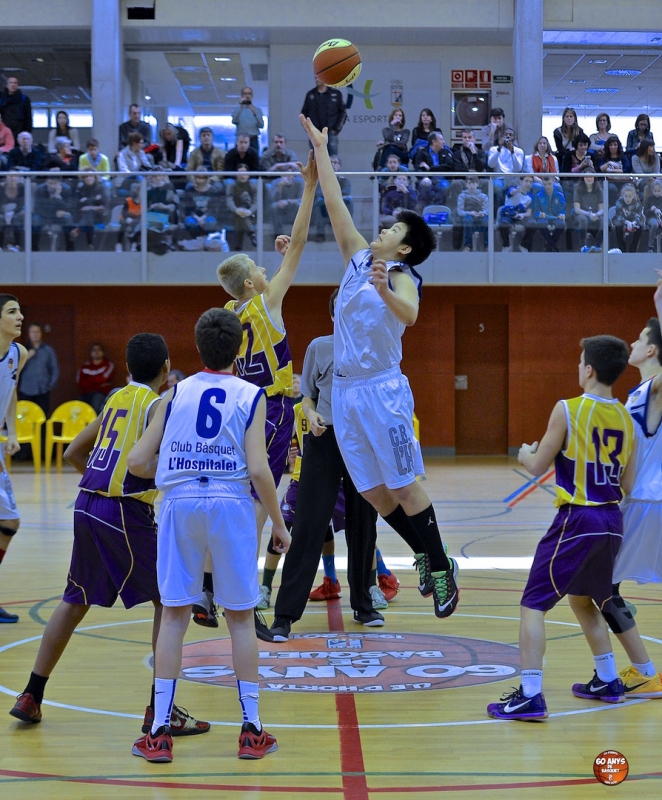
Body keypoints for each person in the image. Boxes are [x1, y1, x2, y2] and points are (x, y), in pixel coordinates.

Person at [9, 333, 210, 738]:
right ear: (167, 368)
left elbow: (72, 453)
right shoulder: (158, 406)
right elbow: (155, 465)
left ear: (128, 367)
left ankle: (31, 694)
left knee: (74, 601)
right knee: (171, 601)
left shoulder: (117, 397)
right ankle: (161, 710)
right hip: (124, 511)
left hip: (86, 505)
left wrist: (102, 480)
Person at [300, 113, 459, 620]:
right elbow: (335, 204)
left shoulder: (402, 275)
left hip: (382, 390)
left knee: (404, 486)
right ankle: (430, 553)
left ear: (404, 247)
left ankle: (439, 566)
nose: (382, 229)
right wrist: (321, 150)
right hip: (346, 395)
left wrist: (384, 290)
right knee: (372, 492)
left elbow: (409, 314)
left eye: (392, 229)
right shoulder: (355, 260)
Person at [126, 310, 289, 762]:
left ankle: (158, 732)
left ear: (197, 347)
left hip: (179, 502)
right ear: (239, 349)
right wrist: (278, 524)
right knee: (240, 618)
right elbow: (259, 469)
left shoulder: (174, 393)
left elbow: (137, 461)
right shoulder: (251, 394)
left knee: (174, 616)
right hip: (231, 503)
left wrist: (175, 471)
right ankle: (252, 730)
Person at [487, 335, 635, 720]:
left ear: (589, 370)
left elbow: (537, 466)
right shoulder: (626, 418)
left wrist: (526, 454)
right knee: (583, 599)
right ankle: (608, 679)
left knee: (532, 604)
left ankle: (530, 694)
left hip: (579, 518)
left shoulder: (569, 409)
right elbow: (628, 483)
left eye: (580, 361)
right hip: (612, 521)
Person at [217, 152, 317, 641]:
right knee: (260, 510)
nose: (266, 269)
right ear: (251, 283)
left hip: (240, 410)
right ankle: (243, 594)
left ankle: (216, 584)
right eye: (260, 268)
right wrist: (309, 187)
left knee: (244, 503)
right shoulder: (267, 302)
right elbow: (298, 244)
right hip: (273, 411)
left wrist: (269, 264)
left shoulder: (227, 314)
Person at [599, 289, 662, 699]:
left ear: (652, 349)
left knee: (601, 588)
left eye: (640, 339)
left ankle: (645, 673)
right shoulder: (638, 393)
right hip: (638, 500)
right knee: (603, 588)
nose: (633, 344)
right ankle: (637, 671)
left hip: (647, 503)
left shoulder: (655, 389)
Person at [0, 294, 27, 623]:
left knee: (8, 524)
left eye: (19, 311)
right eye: (11, 311)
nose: (19, 316)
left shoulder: (18, 353)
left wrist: (12, 433)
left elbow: (10, 391)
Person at [17, 323, 59, 419]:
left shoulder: (48, 350)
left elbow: (54, 368)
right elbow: (15, 368)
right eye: (32, 332)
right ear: (29, 334)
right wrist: (27, 357)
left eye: (37, 332)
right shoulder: (22, 349)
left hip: (43, 388)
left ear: (41, 333)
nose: (35, 334)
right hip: (26, 388)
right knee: (26, 417)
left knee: (43, 416)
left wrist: (51, 384)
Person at [312, 154, 352, 243]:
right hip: (325, 207)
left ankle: (348, 233)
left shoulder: (344, 181)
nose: (333, 164)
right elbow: (319, 194)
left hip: (339, 208)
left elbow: (345, 193)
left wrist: (331, 197)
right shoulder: (320, 180)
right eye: (330, 163)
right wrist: (334, 197)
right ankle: (320, 233)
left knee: (349, 201)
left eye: (335, 163)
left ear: (339, 166)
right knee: (318, 203)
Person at [301, 77, 346, 156]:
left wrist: (336, 129)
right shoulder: (311, 94)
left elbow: (343, 113)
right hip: (315, 133)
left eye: (319, 78)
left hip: (331, 132)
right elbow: (304, 113)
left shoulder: (336, 94)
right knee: (316, 158)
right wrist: (309, 129)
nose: (317, 80)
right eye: (315, 78)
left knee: (332, 158)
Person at [180, 170, 222, 240]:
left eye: (203, 178)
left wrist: (203, 217)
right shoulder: (189, 190)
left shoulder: (213, 191)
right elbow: (187, 208)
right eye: (198, 177)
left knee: (210, 222)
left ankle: (207, 240)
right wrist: (197, 218)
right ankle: (195, 240)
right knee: (190, 223)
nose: (200, 180)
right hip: (193, 216)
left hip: (208, 215)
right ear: (195, 178)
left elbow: (213, 208)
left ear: (207, 179)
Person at [497, 174, 535, 251]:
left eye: (531, 182)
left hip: (521, 216)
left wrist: (523, 214)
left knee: (533, 224)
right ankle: (506, 245)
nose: (528, 184)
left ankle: (524, 245)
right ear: (520, 181)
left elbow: (529, 212)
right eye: (526, 181)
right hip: (508, 215)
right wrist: (518, 190)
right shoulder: (512, 189)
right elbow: (512, 192)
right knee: (503, 224)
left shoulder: (531, 197)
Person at [529, 175, 566, 253]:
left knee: (562, 225)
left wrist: (561, 214)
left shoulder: (560, 195)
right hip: (544, 217)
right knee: (541, 224)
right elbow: (536, 211)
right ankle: (553, 246)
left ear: (553, 182)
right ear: (542, 183)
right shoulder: (538, 195)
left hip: (556, 217)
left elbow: (562, 210)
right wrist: (539, 214)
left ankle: (549, 245)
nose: (547, 187)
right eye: (545, 184)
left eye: (549, 184)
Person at [77, 343, 115, 414]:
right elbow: (80, 382)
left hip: (101, 393)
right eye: (94, 350)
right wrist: (99, 383)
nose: (96, 352)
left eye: (99, 350)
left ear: (103, 352)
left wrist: (88, 380)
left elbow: (103, 379)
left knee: (96, 404)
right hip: (86, 393)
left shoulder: (108, 365)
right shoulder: (84, 366)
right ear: (90, 353)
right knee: (77, 406)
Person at [227, 164, 257, 250]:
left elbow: (256, 202)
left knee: (242, 215)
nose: (243, 176)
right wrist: (236, 210)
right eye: (240, 173)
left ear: (248, 175)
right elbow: (229, 200)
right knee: (240, 216)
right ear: (237, 175)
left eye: (245, 173)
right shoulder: (232, 186)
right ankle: (251, 234)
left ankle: (238, 247)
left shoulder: (253, 186)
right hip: (235, 212)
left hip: (251, 213)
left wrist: (250, 211)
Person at [573, 173, 604, 253]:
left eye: (591, 177)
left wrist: (597, 214)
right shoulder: (578, 190)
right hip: (581, 214)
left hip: (595, 214)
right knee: (583, 219)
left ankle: (597, 246)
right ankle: (583, 246)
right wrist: (589, 214)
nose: (589, 179)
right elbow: (577, 209)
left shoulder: (599, 190)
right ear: (583, 178)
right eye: (586, 177)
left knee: (605, 221)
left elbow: (602, 209)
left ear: (594, 178)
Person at [456, 175, 489, 251]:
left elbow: (487, 210)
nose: (471, 186)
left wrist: (483, 213)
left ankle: (487, 245)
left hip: (481, 217)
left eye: (473, 183)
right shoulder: (462, 196)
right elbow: (460, 211)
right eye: (469, 183)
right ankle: (468, 245)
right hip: (468, 216)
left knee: (487, 220)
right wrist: (469, 213)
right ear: (466, 185)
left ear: (477, 184)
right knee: (467, 220)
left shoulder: (483, 196)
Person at [269, 168, 304, 236]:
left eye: (290, 175)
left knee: (300, 205)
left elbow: (302, 199)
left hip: (294, 205)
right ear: (281, 176)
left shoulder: (299, 182)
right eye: (285, 175)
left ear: (293, 175)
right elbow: (274, 199)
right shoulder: (276, 182)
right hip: (281, 208)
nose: (288, 177)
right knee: (273, 206)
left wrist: (287, 201)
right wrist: (279, 187)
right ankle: (278, 233)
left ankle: (299, 233)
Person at [612, 183, 645, 254]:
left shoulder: (637, 203)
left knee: (640, 226)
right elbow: (618, 215)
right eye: (626, 196)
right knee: (618, 226)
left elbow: (638, 215)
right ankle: (621, 247)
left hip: (633, 220)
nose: (628, 199)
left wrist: (633, 223)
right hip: (621, 220)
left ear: (633, 196)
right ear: (622, 195)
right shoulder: (619, 202)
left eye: (630, 196)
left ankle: (633, 247)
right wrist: (626, 222)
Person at [231, 87, 264, 153]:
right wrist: (240, 107)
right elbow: (234, 121)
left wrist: (255, 114)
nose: (247, 96)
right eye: (245, 94)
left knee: (254, 158)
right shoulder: (237, 109)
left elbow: (261, 125)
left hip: (253, 140)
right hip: (241, 140)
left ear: (252, 96)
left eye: (249, 94)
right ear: (242, 95)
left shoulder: (257, 110)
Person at [0, 77, 32, 141]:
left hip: (20, 130)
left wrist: (27, 132)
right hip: (4, 130)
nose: (13, 85)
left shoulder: (24, 99)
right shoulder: (1, 99)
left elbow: (28, 116)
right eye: (11, 83)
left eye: (15, 83)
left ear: (18, 85)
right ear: (7, 85)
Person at [0, 171, 24, 252]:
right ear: (6, 177)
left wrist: (13, 213)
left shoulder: (22, 188)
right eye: (10, 176)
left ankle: (17, 245)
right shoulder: (1, 188)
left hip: (18, 211)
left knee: (17, 219)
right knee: (0, 219)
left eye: (15, 176)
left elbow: (22, 203)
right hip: (3, 211)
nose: (12, 178)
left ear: (19, 178)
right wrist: (5, 213)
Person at [644, 179, 662, 253]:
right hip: (651, 218)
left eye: (659, 191)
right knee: (655, 224)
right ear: (652, 190)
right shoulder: (649, 198)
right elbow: (645, 212)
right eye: (655, 191)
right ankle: (650, 247)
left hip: (660, 218)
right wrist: (651, 210)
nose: (657, 193)